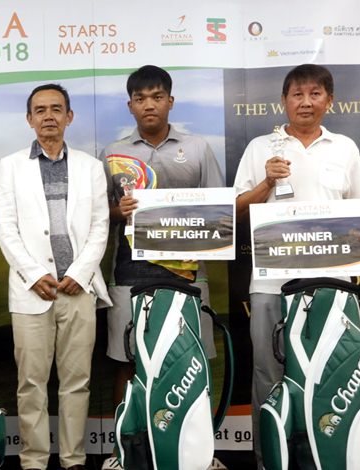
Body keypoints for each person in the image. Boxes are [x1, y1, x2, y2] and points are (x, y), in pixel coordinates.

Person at [233, 63, 360, 468]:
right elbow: (234, 212)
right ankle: (268, 460)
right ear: (284, 101)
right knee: (268, 374)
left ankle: (326, 456)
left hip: (332, 283)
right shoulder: (261, 147)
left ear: (329, 101)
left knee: (329, 370)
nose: (305, 102)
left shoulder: (345, 147)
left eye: (315, 94)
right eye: (297, 94)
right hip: (271, 285)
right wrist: (266, 183)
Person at [98, 65, 224, 470]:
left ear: (170, 101)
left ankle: (200, 452)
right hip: (130, 270)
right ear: (130, 105)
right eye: (140, 98)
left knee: (192, 358)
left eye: (157, 97)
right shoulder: (113, 154)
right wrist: (120, 210)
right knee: (127, 359)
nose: (149, 105)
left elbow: (218, 209)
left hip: (189, 271)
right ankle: (125, 451)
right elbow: (101, 215)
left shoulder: (199, 147)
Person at [0, 83, 111, 470]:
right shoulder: (11, 165)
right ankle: (33, 460)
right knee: (31, 383)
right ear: (29, 119)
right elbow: (6, 228)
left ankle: (74, 458)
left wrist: (80, 272)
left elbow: (100, 225)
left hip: (78, 290)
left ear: (69, 117)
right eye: (40, 110)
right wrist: (33, 274)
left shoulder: (91, 167)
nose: (48, 116)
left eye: (56, 109)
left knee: (77, 381)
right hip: (33, 291)